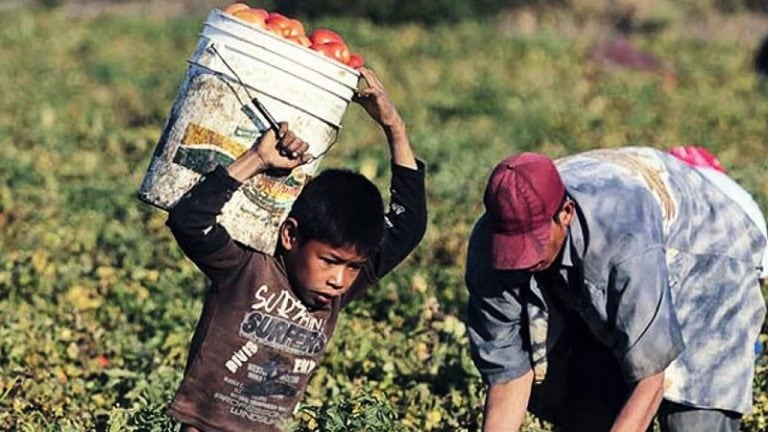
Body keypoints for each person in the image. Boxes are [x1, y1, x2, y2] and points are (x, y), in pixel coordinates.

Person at [165, 67, 427, 432]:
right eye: (331, 261)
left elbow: (408, 224)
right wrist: (256, 159)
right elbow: (189, 220)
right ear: (290, 235)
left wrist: (394, 127)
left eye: (353, 267)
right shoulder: (245, 269)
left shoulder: (335, 292)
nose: (340, 280)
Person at [465, 146, 767, 431]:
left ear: (565, 213)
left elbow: (651, 376)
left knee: (691, 420)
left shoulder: (623, 243)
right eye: (513, 247)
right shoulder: (490, 251)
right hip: (614, 255)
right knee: (591, 411)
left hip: (705, 252)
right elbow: (508, 379)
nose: (523, 257)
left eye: (535, 243)